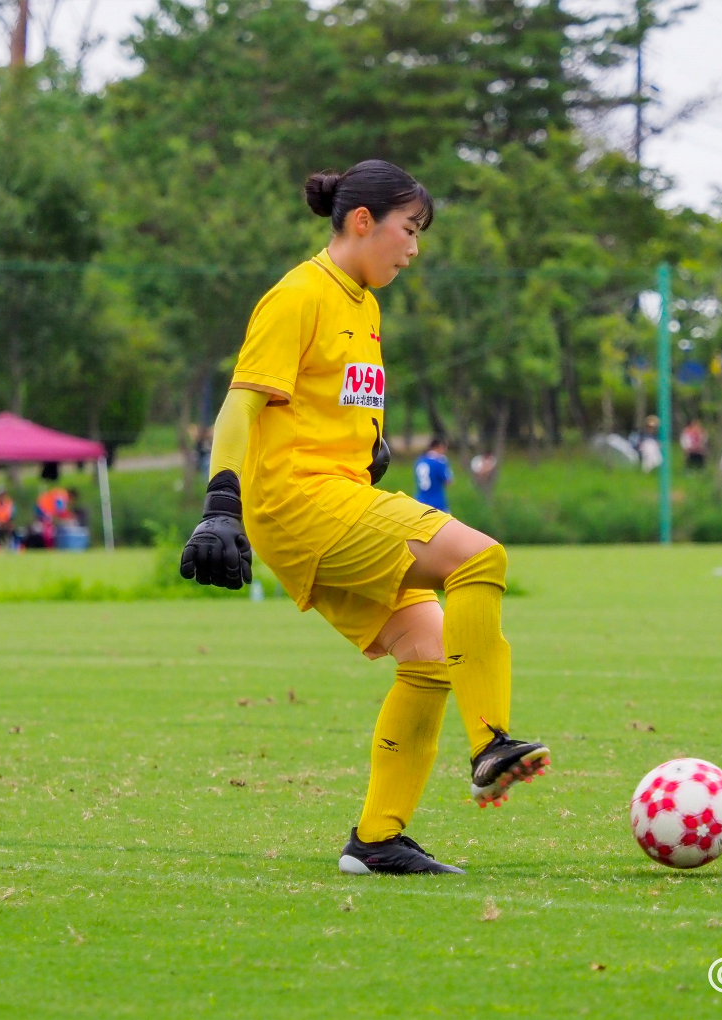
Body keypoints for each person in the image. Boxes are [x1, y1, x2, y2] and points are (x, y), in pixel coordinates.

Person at [179, 160, 549, 877]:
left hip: (336, 497)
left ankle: (376, 840)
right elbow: (240, 406)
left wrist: (369, 442)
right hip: (301, 503)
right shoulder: (297, 295)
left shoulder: (365, 304)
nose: (414, 249)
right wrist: (221, 504)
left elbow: (334, 402)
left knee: (431, 653)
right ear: (361, 221)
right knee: (481, 558)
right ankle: (493, 742)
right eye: (408, 231)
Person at [413, 437, 453, 512]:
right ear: (439, 447)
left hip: (420, 501)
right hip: (437, 503)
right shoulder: (439, 462)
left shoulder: (420, 460)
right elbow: (448, 481)